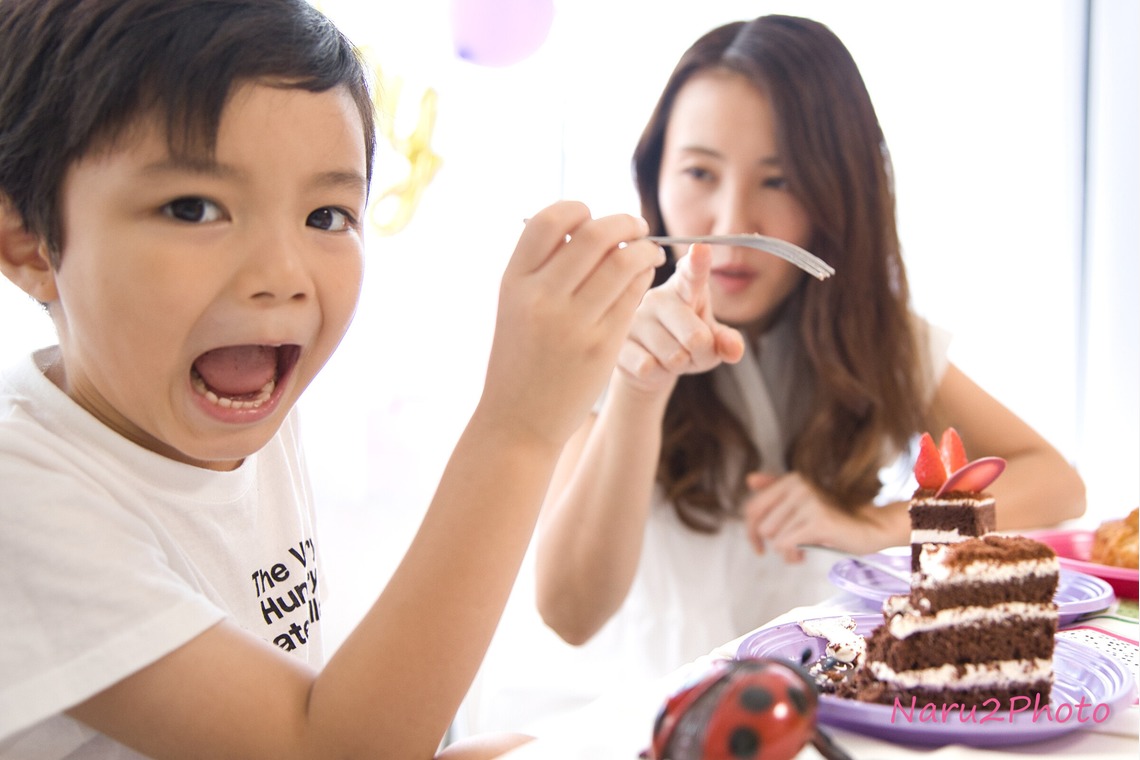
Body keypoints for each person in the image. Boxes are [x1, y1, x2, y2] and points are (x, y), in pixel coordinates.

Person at [0, 1, 663, 758]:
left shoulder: (237, 405)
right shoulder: (19, 498)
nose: (281, 276)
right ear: (28, 243)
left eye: (325, 216)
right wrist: (519, 428)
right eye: (194, 208)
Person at [530, 13, 1087, 705]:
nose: (732, 220)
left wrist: (874, 527)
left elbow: (1059, 484)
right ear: (655, 175)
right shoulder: (609, 334)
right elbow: (567, 612)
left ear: (836, 194)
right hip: (643, 724)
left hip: (822, 722)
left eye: (781, 181)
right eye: (700, 171)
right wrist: (638, 389)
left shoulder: (874, 339)